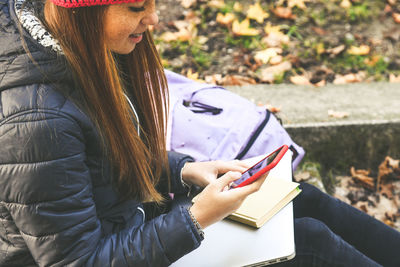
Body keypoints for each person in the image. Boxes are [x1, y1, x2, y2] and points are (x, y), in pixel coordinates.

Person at [0, 1, 399, 267]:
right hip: (111, 250)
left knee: (299, 198)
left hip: (131, 225)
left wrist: (187, 170)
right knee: (308, 241)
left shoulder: (80, 46)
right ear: (83, 13)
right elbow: (77, 261)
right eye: (137, 7)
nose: (153, 18)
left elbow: (101, 161)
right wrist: (195, 218)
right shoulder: (36, 121)